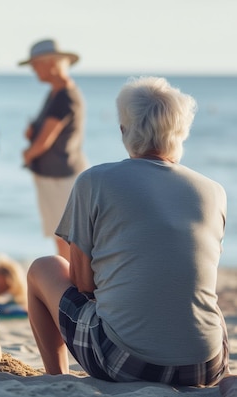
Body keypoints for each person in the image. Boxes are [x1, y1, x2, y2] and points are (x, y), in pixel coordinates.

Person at [26, 77, 229, 386]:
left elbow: (83, 284)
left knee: (44, 267)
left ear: (124, 130)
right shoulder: (214, 192)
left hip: (125, 363)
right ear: (181, 133)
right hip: (207, 366)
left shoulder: (94, 181)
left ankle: (58, 379)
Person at [18, 39, 88, 260]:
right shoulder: (57, 93)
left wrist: (28, 154)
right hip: (57, 176)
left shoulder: (64, 96)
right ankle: (73, 288)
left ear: (50, 64)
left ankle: (73, 290)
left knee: (65, 239)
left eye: (35, 64)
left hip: (60, 178)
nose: (33, 69)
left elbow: (45, 141)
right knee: (63, 238)